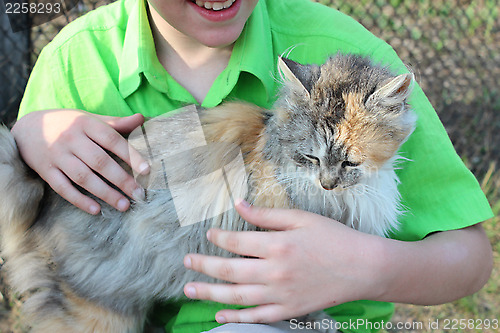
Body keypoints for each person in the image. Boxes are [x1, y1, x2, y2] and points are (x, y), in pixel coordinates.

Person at [12, 0, 493, 332]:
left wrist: (368, 267)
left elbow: (471, 259)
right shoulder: (76, 63)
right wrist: (27, 137)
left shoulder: (339, 51)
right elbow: (35, 237)